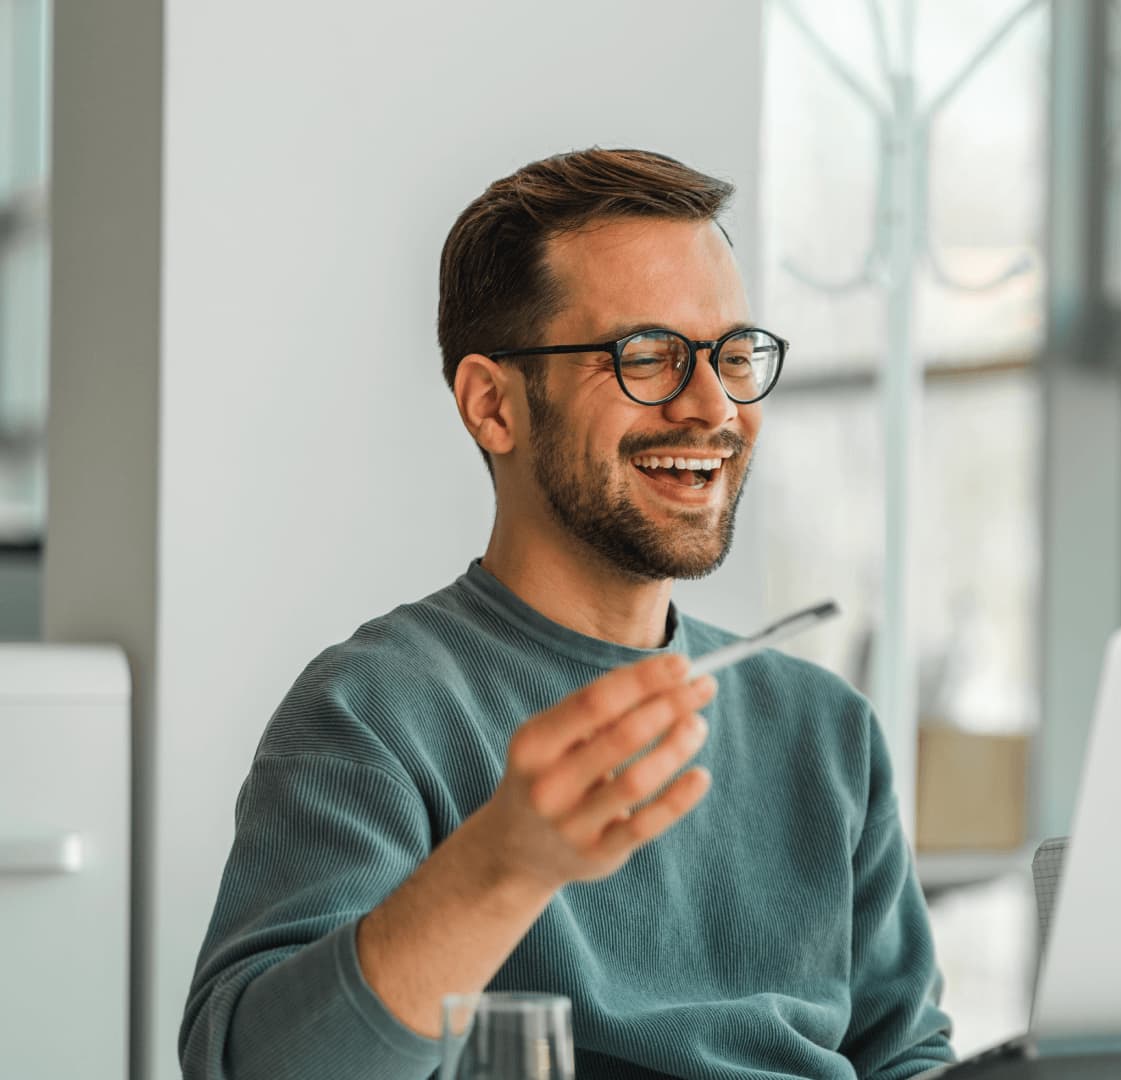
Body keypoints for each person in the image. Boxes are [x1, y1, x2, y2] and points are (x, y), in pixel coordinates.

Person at [178, 149, 954, 1080]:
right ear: (492, 405)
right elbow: (256, 1066)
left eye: (734, 355)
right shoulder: (374, 712)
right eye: (647, 356)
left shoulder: (826, 733)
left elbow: (907, 1059)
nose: (714, 406)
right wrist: (505, 864)